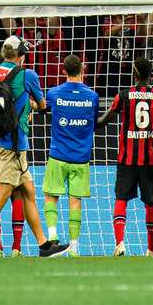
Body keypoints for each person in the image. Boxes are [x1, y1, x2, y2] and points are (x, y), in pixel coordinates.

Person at [0, 35, 68, 257]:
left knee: (28, 192)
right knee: (0, 196)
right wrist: (29, 107)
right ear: (21, 57)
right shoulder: (27, 75)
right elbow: (43, 104)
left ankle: (44, 245)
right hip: (14, 145)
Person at [99, 56, 153, 256]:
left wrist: (87, 121)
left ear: (134, 73)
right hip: (150, 159)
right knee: (151, 202)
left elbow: (104, 120)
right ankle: (151, 250)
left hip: (127, 159)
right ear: (150, 74)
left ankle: (120, 243)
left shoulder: (124, 96)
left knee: (121, 199)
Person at [43, 55, 100, 253]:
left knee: (51, 196)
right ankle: (74, 247)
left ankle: (52, 236)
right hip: (81, 158)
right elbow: (94, 124)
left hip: (58, 155)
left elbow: (44, 108)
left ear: (63, 70)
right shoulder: (92, 96)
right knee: (75, 201)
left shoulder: (53, 93)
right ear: (82, 69)